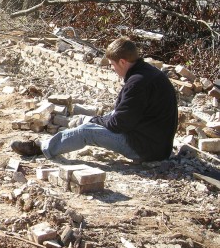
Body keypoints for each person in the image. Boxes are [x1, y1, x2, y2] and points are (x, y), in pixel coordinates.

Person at [11, 37, 178, 162]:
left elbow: (118, 124)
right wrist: (97, 119)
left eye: (112, 65)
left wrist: (96, 122)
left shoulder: (137, 83)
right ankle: (72, 128)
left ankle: (42, 147)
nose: (113, 69)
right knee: (93, 120)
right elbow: (123, 114)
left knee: (87, 131)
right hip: (156, 140)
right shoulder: (147, 72)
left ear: (122, 61)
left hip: (146, 149)